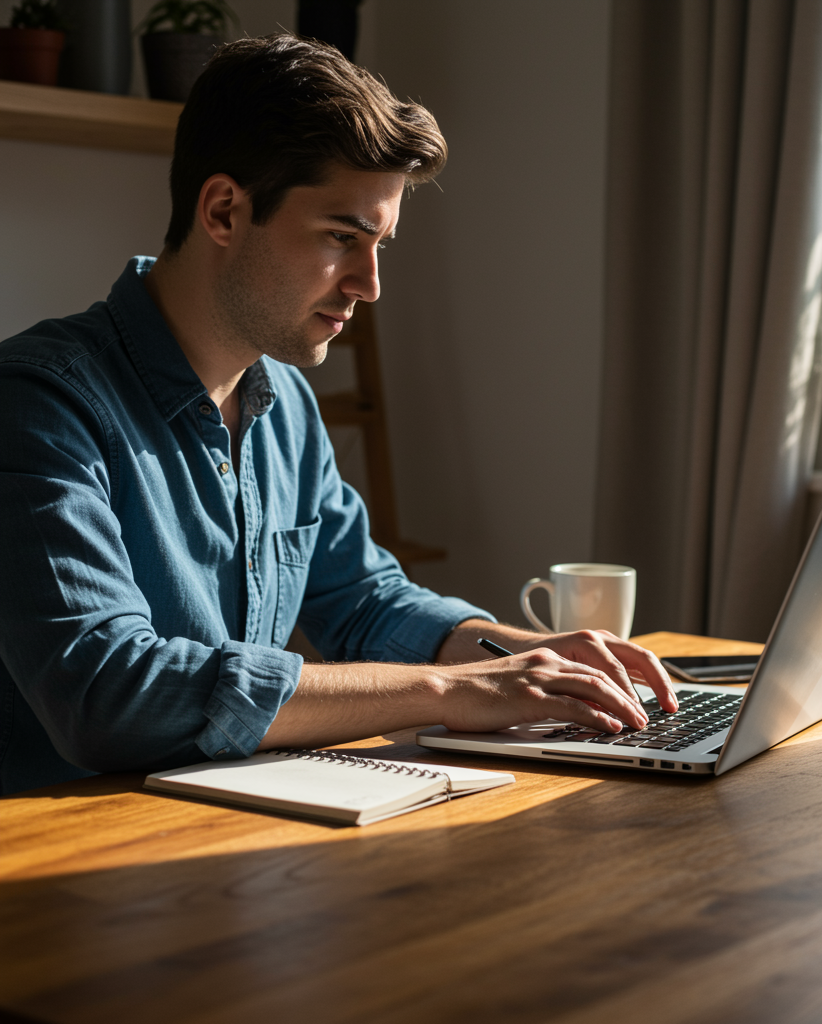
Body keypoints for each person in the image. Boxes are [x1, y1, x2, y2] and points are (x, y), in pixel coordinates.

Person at [0, 35, 675, 796]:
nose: (370, 284)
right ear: (223, 210)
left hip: (229, 831)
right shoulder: (38, 402)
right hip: (60, 850)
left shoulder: (284, 404)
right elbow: (108, 693)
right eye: (342, 237)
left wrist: (525, 657)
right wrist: (449, 692)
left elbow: (363, 600)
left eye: (379, 243)